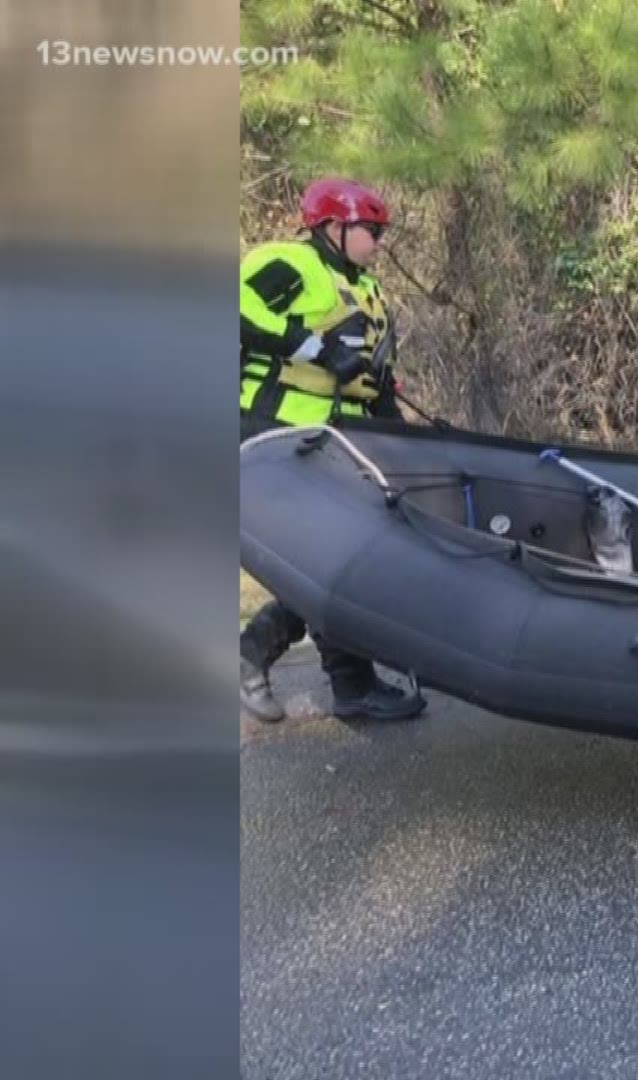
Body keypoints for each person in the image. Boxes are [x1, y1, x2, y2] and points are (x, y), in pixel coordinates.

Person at [238, 177, 427, 724]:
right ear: (333, 227)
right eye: (371, 230)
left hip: (330, 441)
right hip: (270, 431)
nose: (379, 242)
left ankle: (265, 658)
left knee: (339, 560)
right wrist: (315, 349)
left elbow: (371, 379)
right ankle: (349, 685)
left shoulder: (367, 291)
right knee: (326, 558)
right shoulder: (291, 263)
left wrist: (404, 439)